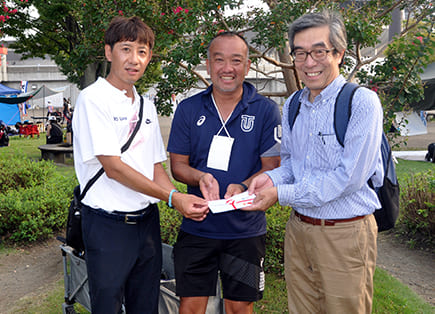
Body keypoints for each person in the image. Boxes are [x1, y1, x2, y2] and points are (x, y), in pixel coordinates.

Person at [244, 10, 383, 313]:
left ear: (339, 53)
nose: (309, 62)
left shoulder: (361, 103)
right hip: (299, 230)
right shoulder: (294, 104)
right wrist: (269, 180)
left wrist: (280, 193)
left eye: (319, 51)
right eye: (300, 53)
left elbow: (347, 179)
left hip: (345, 235)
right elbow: (293, 164)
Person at [72, 16, 208, 314]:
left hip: (146, 223)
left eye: (143, 51)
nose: (135, 59)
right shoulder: (92, 99)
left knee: (145, 304)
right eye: (126, 49)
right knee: (107, 306)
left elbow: (155, 167)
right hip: (107, 225)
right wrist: (173, 197)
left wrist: (178, 200)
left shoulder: (145, 104)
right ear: (109, 52)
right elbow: (113, 167)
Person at [167, 31, 281, 314]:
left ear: (247, 64)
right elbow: (178, 166)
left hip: (245, 230)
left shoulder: (266, 111)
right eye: (219, 60)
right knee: (191, 307)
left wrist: (242, 186)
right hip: (198, 225)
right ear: (208, 64)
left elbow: (272, 167)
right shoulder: (189, 109)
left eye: (236, 60)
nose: (227, 68)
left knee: (240, 307)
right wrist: (200, 177)